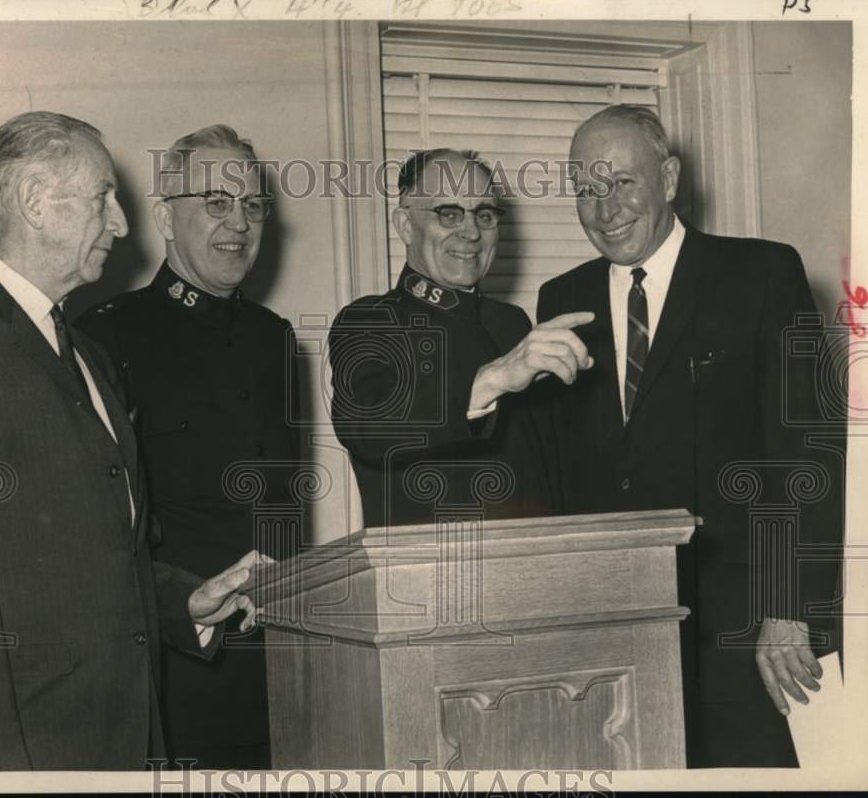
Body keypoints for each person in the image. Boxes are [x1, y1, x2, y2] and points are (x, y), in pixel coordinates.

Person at [0, 111, 266, 772]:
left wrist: (185, 600)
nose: (122, 224)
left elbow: (97, 557)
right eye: (103, 197)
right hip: (31, 752)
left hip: (128, 734)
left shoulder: (89, 352)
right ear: (39, 203)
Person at [534, 104, 844, 767]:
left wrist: (787, 608)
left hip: (749, 635)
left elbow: (807, 451)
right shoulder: (560, 299)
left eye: (621, 182)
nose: (603, 207)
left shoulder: (762, 274)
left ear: (669, 178)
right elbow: (566, 477)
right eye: (585, 188)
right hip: (616, 640)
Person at [76, 125, 298, 769]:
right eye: (217, 202)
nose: (240, 223)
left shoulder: (275, 337)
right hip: (172, 669)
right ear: (166, 218)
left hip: (276, 662)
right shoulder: (104, 336)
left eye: (253, 205)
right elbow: (100, 535)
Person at [329, 148, 594, 528]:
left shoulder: (513, 323)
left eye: (484, 215)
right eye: (448, 213)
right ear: (405, 225)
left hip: (539, 570)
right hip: (428, 577)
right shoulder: (369, 321)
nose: (471, 232)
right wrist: (492, 380)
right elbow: (370, 428)